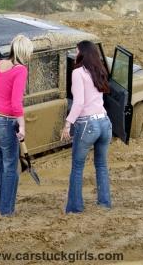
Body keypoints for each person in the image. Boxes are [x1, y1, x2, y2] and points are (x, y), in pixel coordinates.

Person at [0, 34, 33, 216]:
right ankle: (6, 211)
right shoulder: (21, 70)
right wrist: (22, 127)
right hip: (4, 123)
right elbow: (16, 103)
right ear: (24, 52)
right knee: (10, 166)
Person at [61, 40, 112, 214]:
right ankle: (104, 203)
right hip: (105, 123)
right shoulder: (99, 70)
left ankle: (75, 207)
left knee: (77, 167)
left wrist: (68, 124)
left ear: (83, 53)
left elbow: (79, 103)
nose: (75, 54)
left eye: (76, 51)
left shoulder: (78, 72)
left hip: (87, 125)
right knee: (102, 166)